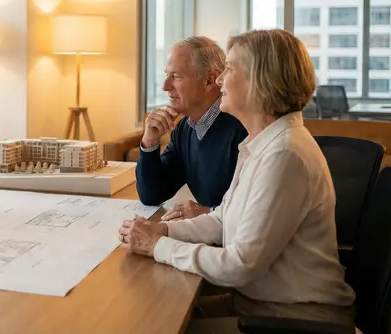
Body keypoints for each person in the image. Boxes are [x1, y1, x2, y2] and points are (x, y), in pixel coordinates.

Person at [119, 29, 356, 332]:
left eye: (229, 69)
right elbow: (221, 219)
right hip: (262, 305)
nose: (219, 81)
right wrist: (162, 229)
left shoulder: (285, 154)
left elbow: (239, 265)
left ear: (260, 80)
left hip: (296, 320)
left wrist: (158, 245)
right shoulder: (262, 144)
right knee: (149, 315)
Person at [136, 36, 247, 221]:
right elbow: (152, 195)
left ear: (210, 80)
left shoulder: (243, 128)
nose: (165, 86)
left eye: (176, 76)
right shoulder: (185, 128)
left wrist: (207, 213)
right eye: (166, 75)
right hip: (209, 237)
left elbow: (251, 213)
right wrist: (150, 142)